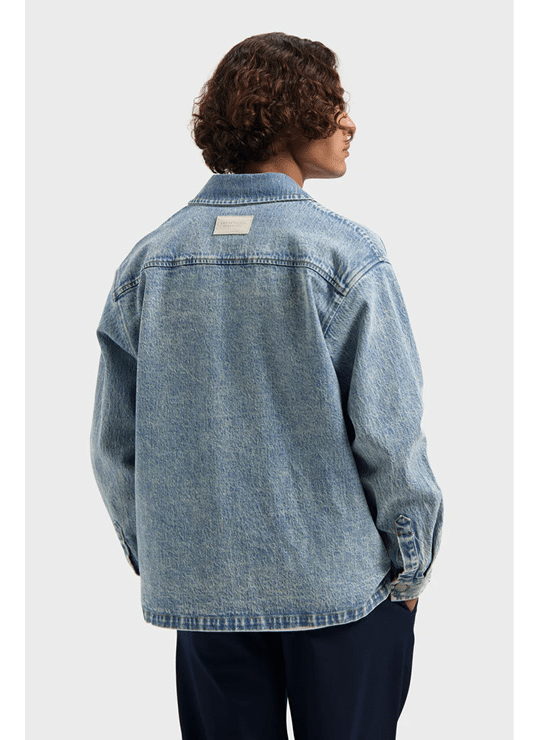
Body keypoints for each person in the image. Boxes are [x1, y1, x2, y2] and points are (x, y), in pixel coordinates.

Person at [90, 32, 444, 740]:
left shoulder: (148, 262)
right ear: (285, 114)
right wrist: (410, 568)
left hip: (205, 597)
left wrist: (165, 557)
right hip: (341, 594)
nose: (350, 123)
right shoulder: (345, 257)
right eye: (334, 104)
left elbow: (114, 449)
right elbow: (390, 439)